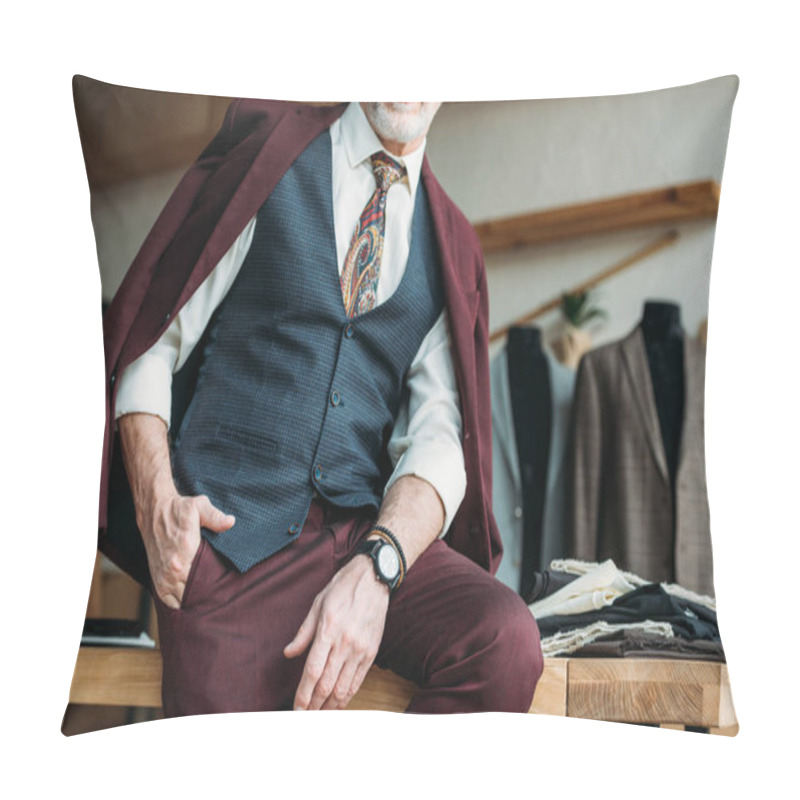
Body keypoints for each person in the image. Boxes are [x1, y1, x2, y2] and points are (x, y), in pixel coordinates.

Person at [102, 99, 543, 715]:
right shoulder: (269, 159)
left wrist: (378, 566)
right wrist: (157, 506)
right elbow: (152, 343)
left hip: (360, 535)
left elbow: (439, 442)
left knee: (503, 642)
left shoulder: (452, 245)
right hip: (232, 546)